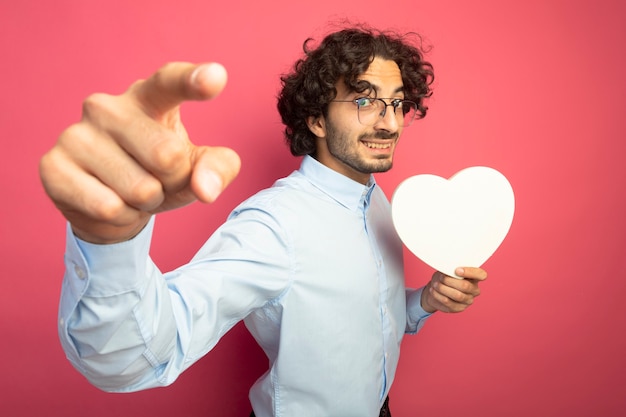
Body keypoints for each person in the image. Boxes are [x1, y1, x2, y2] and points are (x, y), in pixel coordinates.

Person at [40, 25, 487, 417]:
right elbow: (133, 355)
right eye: (364, 100)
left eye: (396, 103)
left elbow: (366, 315)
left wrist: (423, 303)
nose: (388, 123)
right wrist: (111, 237)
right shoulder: (275, 226)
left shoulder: (376, 201)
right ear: (315, 118)